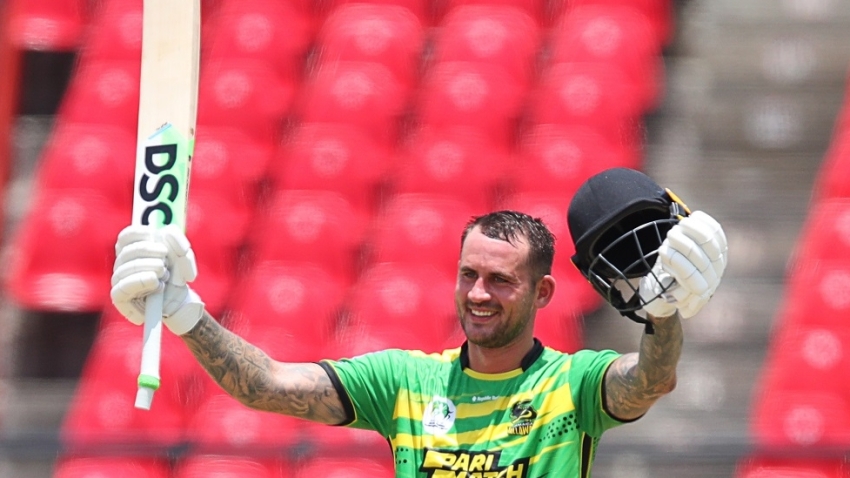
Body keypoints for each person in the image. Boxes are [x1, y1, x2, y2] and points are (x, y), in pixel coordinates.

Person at [110, 167, 727, 477]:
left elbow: (650, 378)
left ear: (543, 292)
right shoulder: (405, 381)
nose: (478, 294)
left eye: (500, 281)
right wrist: (186, 312)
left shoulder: (574, 383)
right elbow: (267, 384)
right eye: (468, 275)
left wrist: (663, 315)